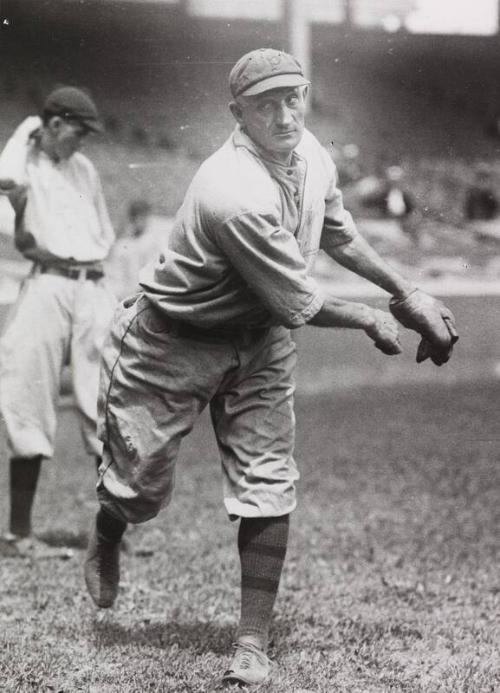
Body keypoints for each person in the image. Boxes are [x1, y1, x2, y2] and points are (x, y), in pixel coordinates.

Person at [84, 49, 458, 687]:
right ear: (238, 114)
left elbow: (337, 231)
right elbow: (299, 301)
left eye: (295, 98)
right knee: (137, 485)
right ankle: (108, 531)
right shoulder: (232, 189)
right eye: (266, 104)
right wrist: (375, 317)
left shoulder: (309, 152)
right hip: (173, 340)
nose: (285, 116)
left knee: (269, 477)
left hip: (260, 341)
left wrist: (406, 290)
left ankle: (252, 643)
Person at [0, 86, 116, 557]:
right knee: (27, 395)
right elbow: (4, 179)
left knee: (105, 401)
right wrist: (30, 126)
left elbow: (103, 231)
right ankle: (18, 534)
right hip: (46, 281)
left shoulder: (83, 168)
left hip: (90, 286)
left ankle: (112, 535)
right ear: (51, 125)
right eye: (77, 131)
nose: (83, 141)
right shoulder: (22, 165)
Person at [106, 198, 174, 300]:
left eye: (143, 217)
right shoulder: (122, 246)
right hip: (129, 296)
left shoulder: (154, 240)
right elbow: (116, 278)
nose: (140, 221)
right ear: (132, 219)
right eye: (136, 217)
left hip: (150, 293)